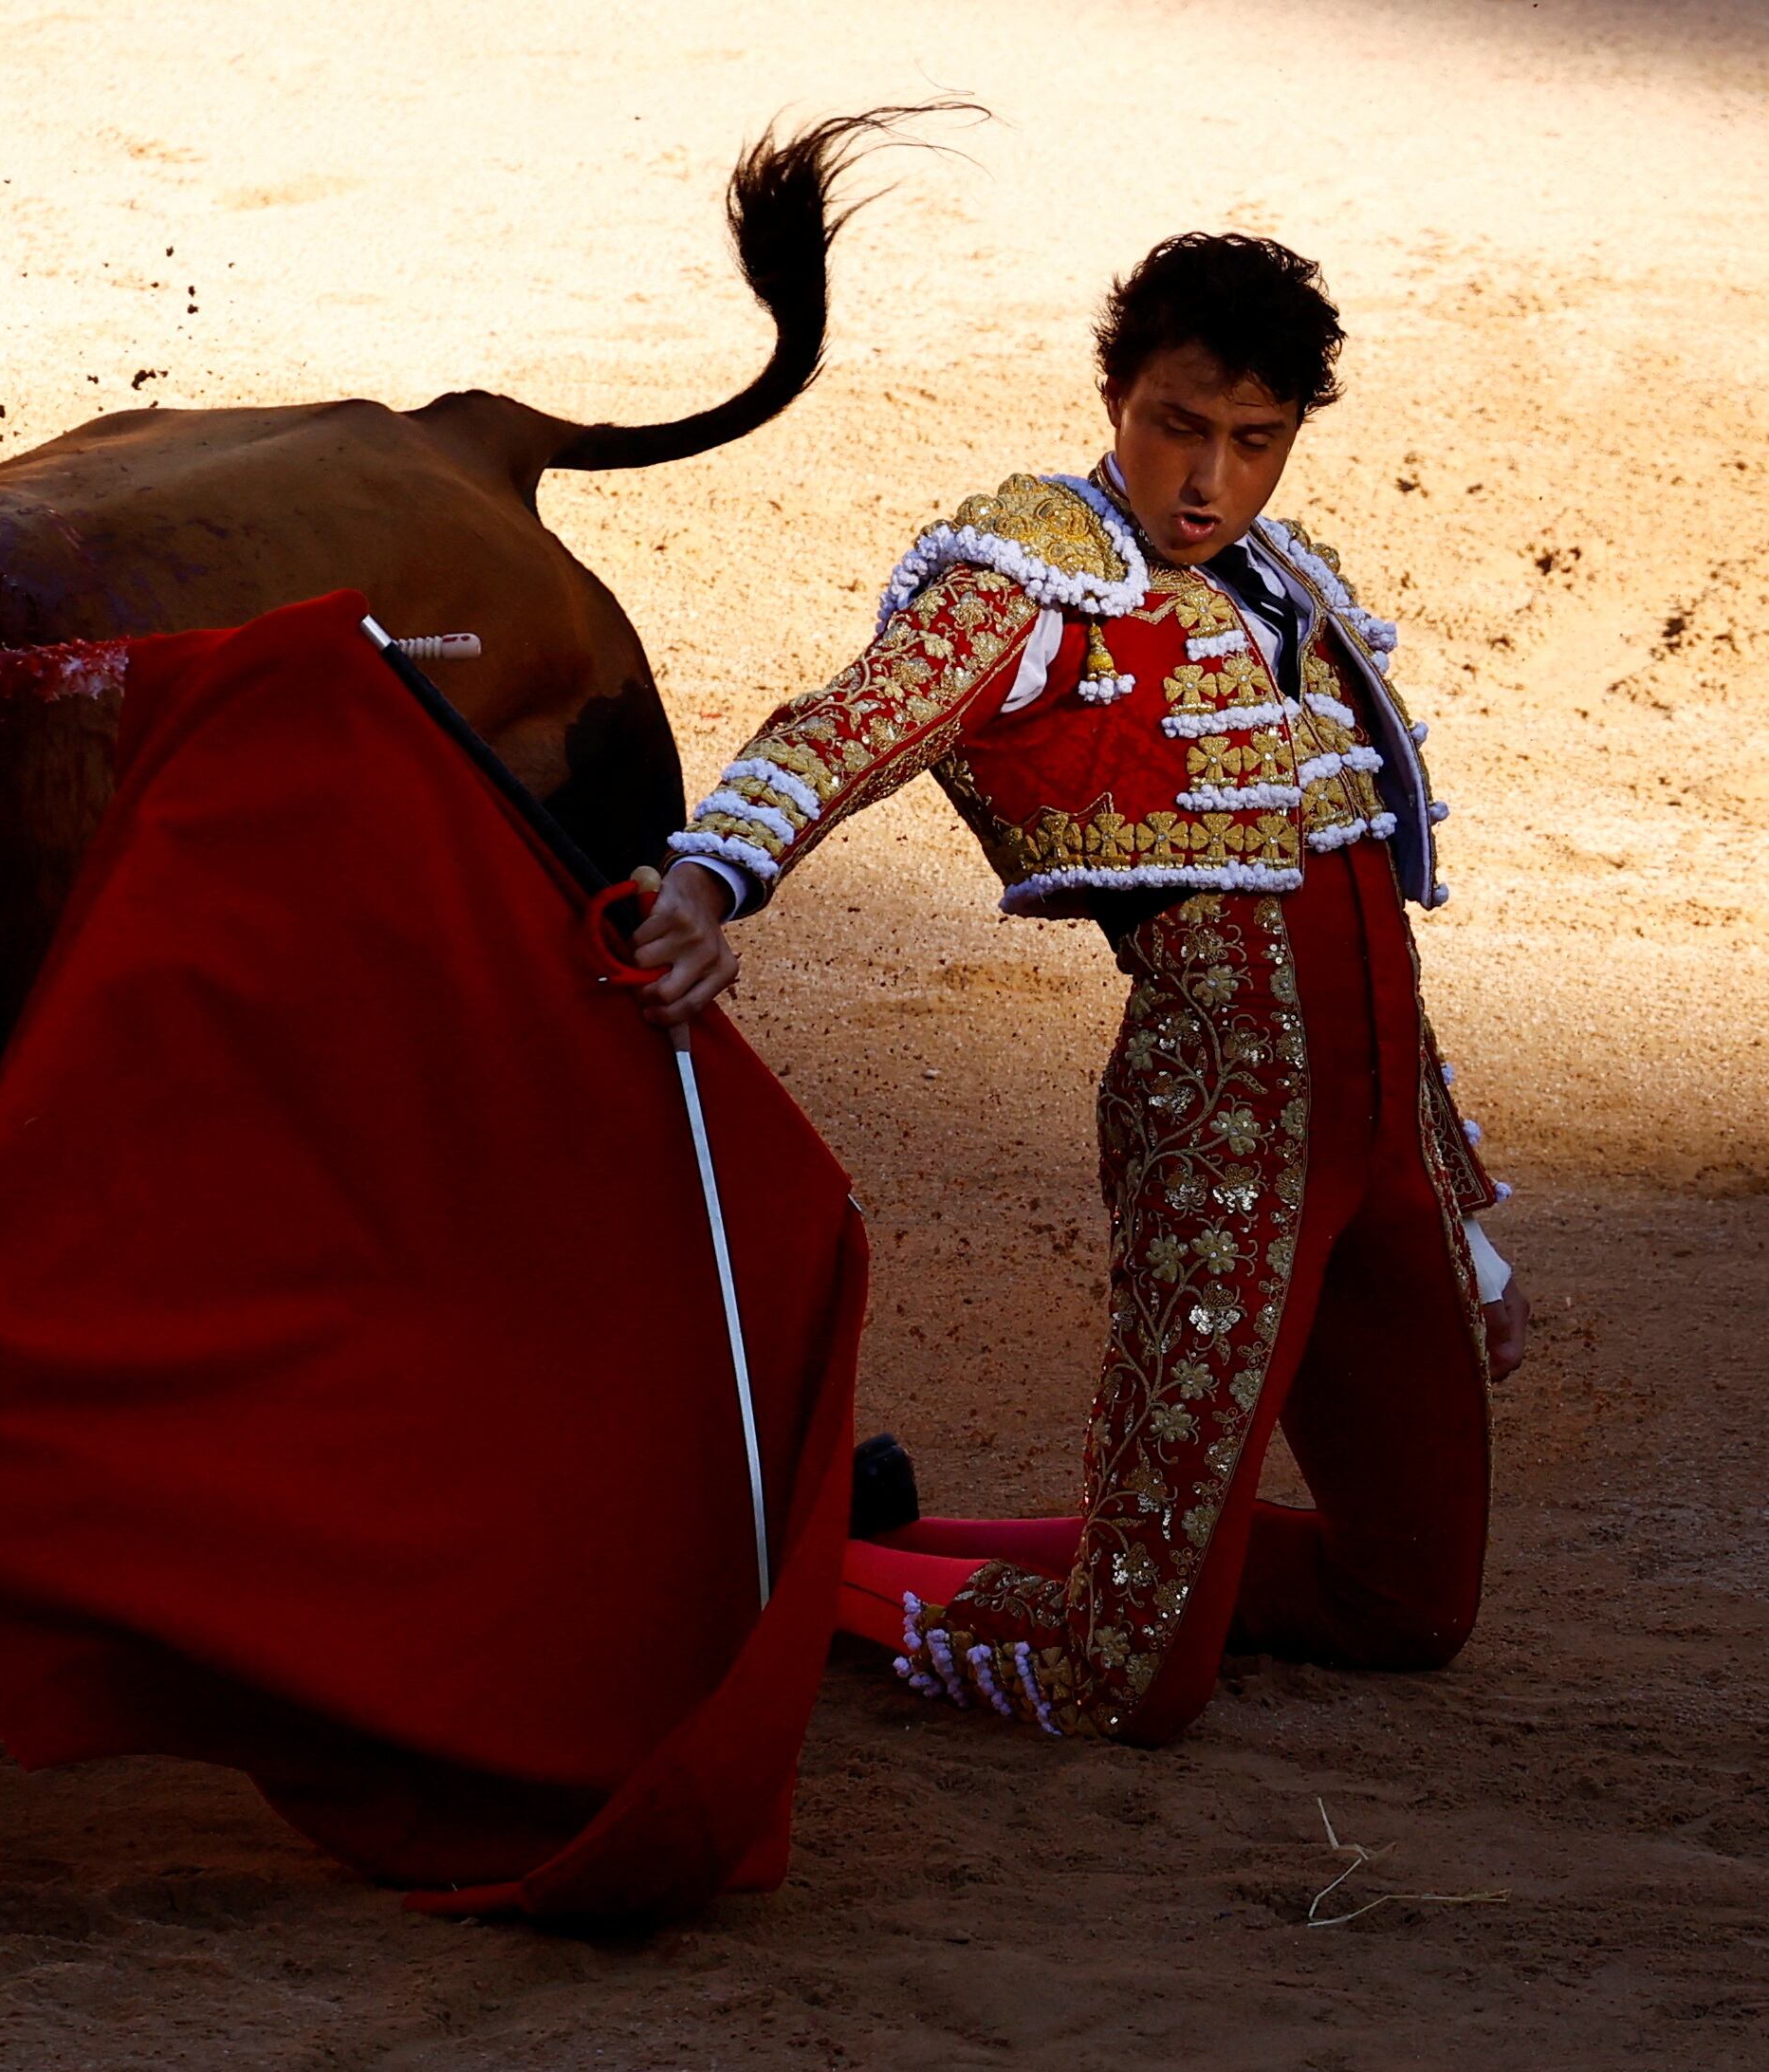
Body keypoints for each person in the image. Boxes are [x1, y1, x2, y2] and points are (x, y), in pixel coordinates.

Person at [629, 232, 1527, 1744]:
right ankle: (804, 1571)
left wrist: (1462, 1216)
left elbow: (1379, 937)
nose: (1207, 480)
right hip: (1225, 1137)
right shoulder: (1032, 578)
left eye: (1254, 442)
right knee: (1124, 1682)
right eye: (1177, 424)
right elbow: (859, 721)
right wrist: (711, 879)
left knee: (1410, 1606)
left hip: (1379, 1153)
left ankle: (1056, 1561)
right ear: (1114, 393)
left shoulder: (1292, 585)